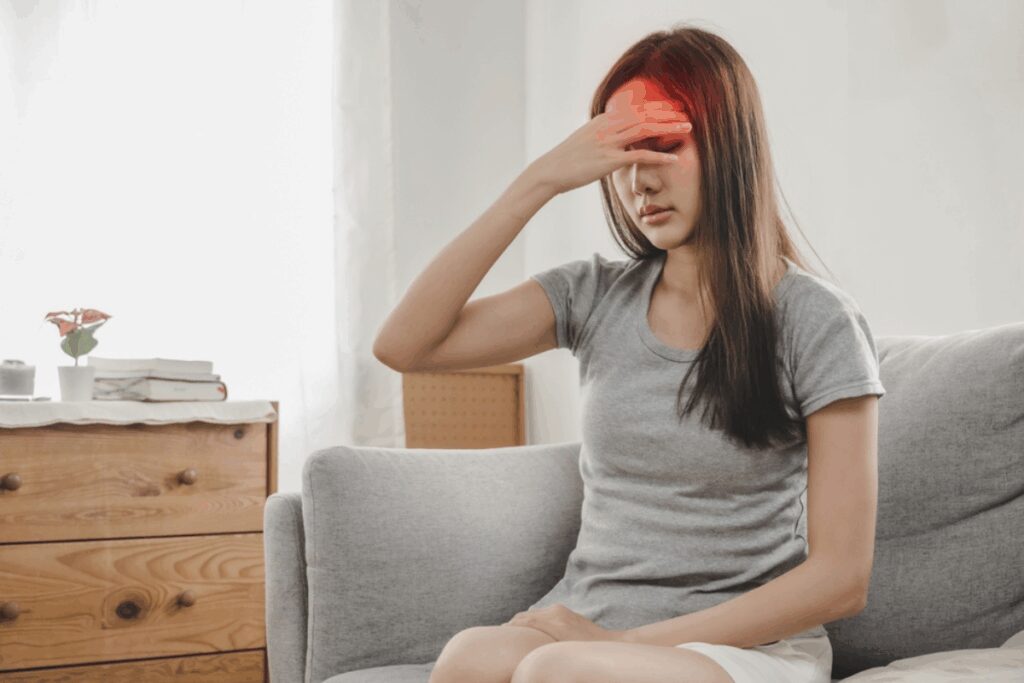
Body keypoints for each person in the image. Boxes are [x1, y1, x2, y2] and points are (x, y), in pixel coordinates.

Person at [374, 22, 885, 683]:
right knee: (469, 657)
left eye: (661, 146)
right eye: (619, 158)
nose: (637, 181)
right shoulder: (595, 295)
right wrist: (540, 180)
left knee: (558, 671)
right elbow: (405, 345)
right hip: (588, 626)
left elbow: (842, 578)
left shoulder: (817, 320)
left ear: (727, 142)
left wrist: (635, 641)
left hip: (738, 649)